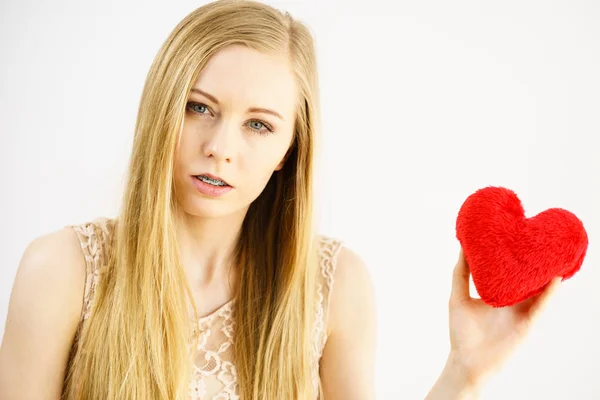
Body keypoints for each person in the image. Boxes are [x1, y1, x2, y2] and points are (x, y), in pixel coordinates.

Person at [0, 1, 561, 399]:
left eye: (259, 126)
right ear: (160, 109)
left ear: (290, 151)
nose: (220, 148)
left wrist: (464, 373)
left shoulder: (334, 284)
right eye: (199, 107)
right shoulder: (63, 270)